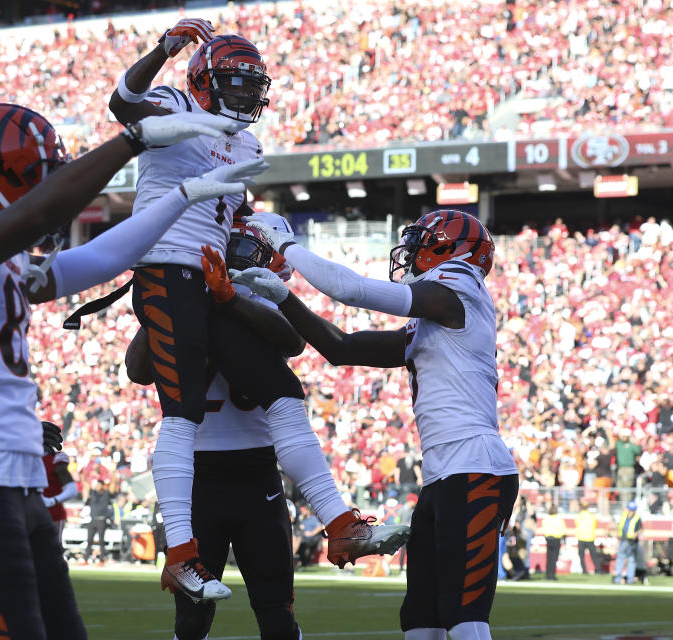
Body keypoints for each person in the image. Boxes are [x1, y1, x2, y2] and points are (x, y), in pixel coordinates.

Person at [0, 101, 260, 640]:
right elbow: (35, 217)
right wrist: (131, 141)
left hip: (13, 476)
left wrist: (181, 199)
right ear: (5, 167)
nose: (45, 188)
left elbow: (90, 264)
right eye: (40, 174)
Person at [109, 22, 407, 601]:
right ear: (203, 79)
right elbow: (123, 103)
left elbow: (232, 212)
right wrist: (164, 51)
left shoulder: (245, 144)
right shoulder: (173, 101)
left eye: (253, 84)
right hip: (167, 268)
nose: (247, 93)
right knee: (181, 410)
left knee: (282, 389)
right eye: (236, 82)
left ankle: (340, 526)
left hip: (208, 278)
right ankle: (180, 555)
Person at [234, 210, 520, 640]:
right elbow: (341, 347)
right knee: (421, 620)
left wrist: (287, 246)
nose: (411, 251)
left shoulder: (460, 289)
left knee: (465, 617)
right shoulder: (435, 320)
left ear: (451, 249)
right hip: (444, 474)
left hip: (475, 466)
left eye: (423, 241)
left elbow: (349, 290)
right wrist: (283, 297)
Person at [125, 219, 304, 639]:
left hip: (256, 472)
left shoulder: (259, 306)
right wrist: (174, 302)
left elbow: (291, 341)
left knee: (276, 611)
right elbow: (137, 369)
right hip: (198, 477)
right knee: (191, 621)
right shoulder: (185, 302)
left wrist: (226, 299)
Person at [42, 436, 78, 543]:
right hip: (31, 511)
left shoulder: (55, 458)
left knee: (52, 550)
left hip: (52, 513)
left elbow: (72, 489)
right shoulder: (28, 459)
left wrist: (53, 501)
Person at [84, 480, 114, 564]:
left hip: (101, 520)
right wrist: (82, 474)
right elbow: (85, 484)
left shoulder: (106, 493)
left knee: (101, 541)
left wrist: (114, 473)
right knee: (89, 540)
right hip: (93, 520)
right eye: (96, 485)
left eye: (99, 485)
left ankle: (101, 560)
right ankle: (86, 559)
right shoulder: (93, 493)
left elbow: (113, 485)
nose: (97, 487)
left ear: (103, 486)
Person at [614, 501, 642, 585]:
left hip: (632, 542)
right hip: (624, 540)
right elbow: (620, 526)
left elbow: (640, 529)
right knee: (620, 558)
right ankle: (618, 578)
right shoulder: (624, 516)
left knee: (631, 560)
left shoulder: (637, 517)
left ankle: (630, 579)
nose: (630, 512)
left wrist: (636, 534)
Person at [540, 505, 565, 580]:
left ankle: (548, 575)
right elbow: (563, 531)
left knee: (549, 557)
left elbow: (544, 529)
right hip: (556, 539)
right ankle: (552, 575)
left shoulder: (546, 519)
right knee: (554, 558)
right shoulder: (559, 519)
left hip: (548, 539)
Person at [574, 501, 599, 575]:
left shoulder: (578, 516)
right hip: (590, 538)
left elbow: (576, 524)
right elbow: (595, 525)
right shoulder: (592, 516)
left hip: (581, 538)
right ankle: (597, 569)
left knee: (581, 556)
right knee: (594, 556)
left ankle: (584, 570)